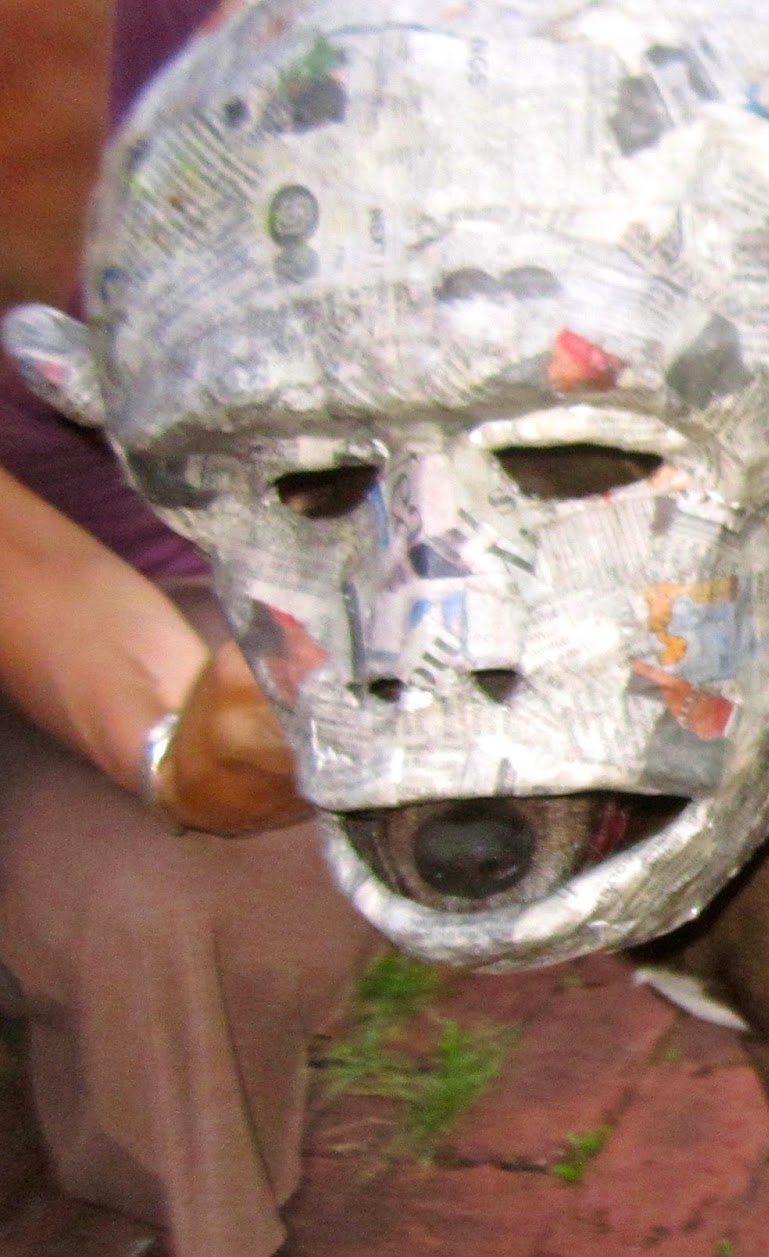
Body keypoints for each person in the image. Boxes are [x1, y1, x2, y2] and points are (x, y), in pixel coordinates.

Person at [0, 5, 382, 1254]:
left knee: (160, 907)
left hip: (193, 565)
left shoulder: (240, 33)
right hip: (40, 574)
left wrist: (188, 746)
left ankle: (192, 1226)